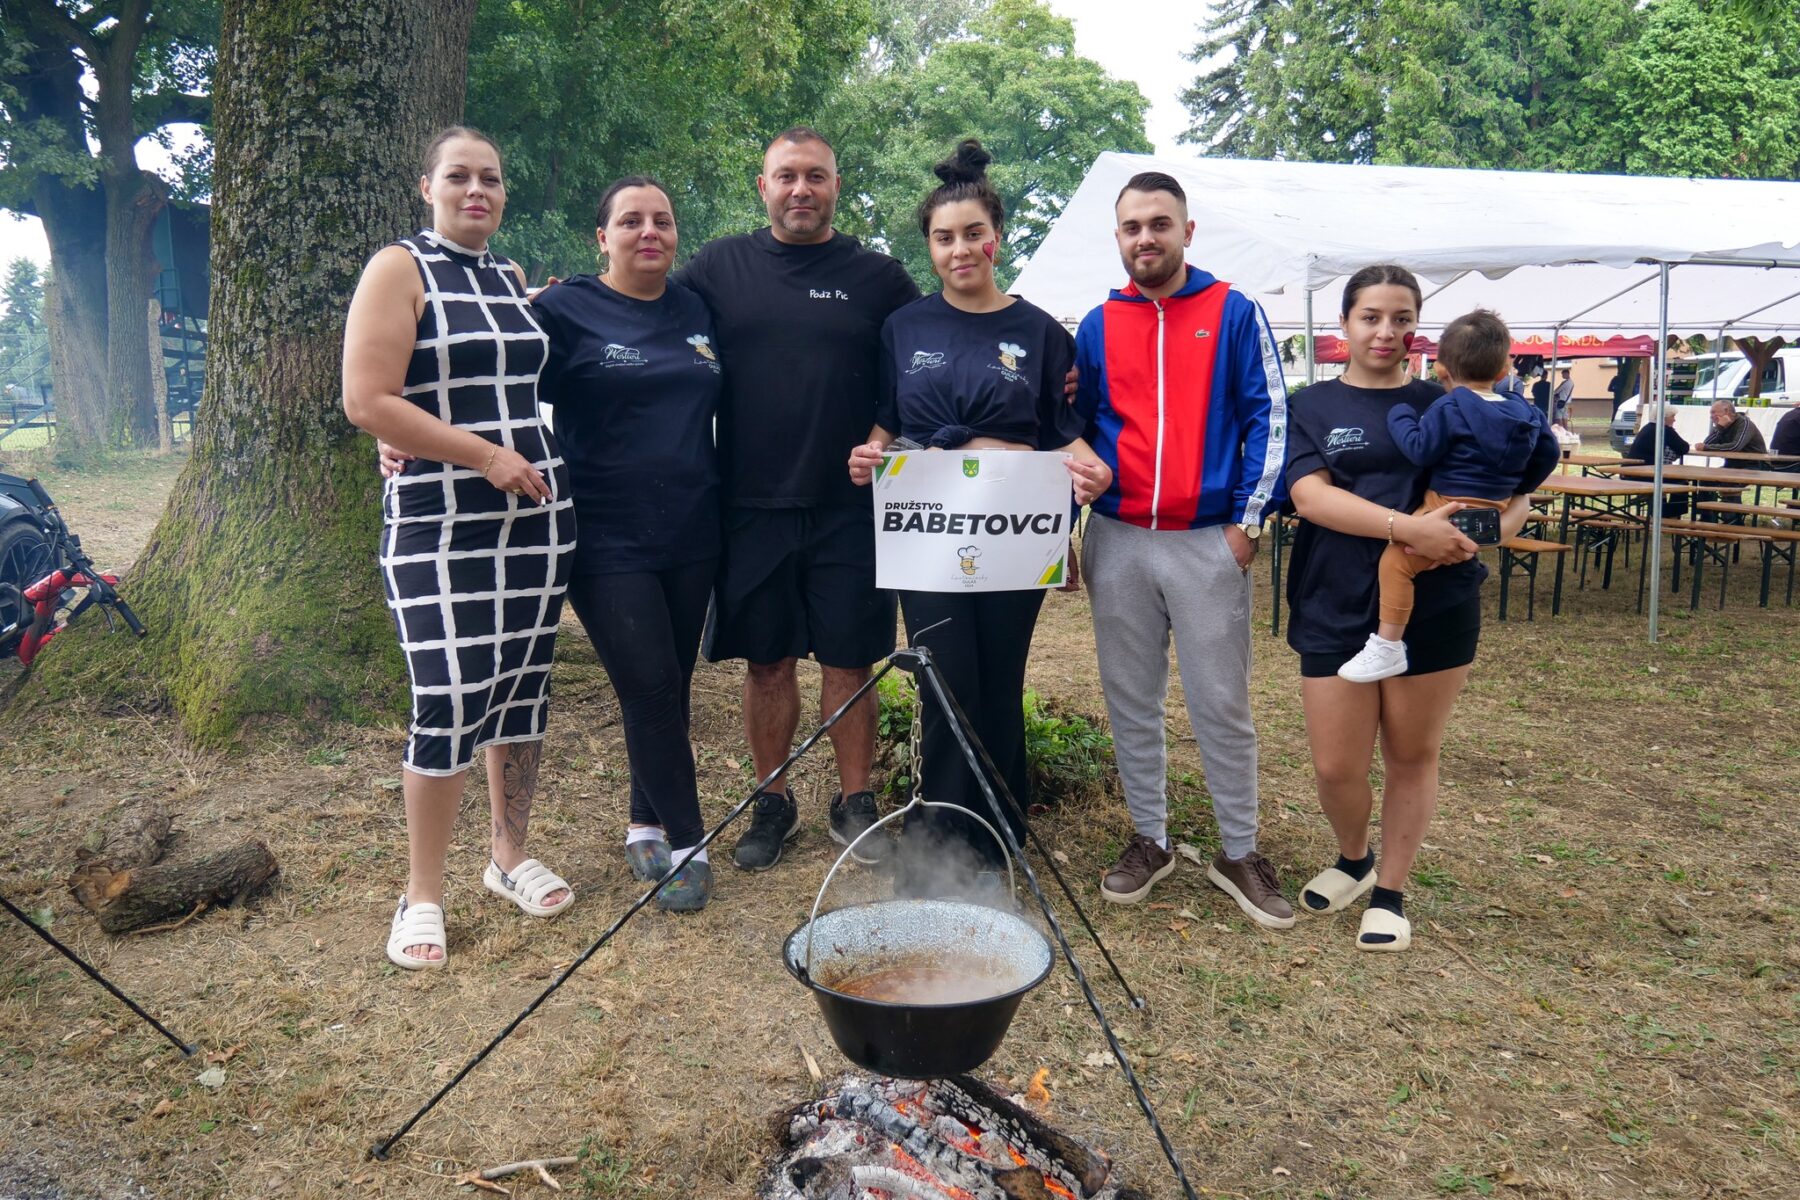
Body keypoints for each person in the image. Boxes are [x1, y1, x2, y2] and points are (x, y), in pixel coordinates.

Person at [342, 127, 577, 970]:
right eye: (459, 176)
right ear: (427, 186)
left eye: (491, 178)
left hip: (537, 519)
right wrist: (482, 456)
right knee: (446, 698)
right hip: (439, 522)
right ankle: (422, 895)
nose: (477, 189)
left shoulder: (507, 278)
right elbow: (367, 400)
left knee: (519, 693)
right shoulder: (398, 268)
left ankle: (508, 858)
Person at [846, 140, 1111, 872]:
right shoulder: (905, 326)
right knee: (943, 677)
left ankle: (1000, 835)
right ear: (929, 248)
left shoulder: (1041, 332)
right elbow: (888, 418)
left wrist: (1091, 472)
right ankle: (937, 839)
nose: (959, 249)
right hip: (928, 528)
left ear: (997, 237)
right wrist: (869, 454)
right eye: (943, 238)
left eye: (973, 234)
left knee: (999, 679)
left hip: (1013, 531)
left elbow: (1061, 432)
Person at [673, 128, 921, 872]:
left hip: (852, 508)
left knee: (850, 660)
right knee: (767, 662)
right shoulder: (718, 268)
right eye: (786, 176)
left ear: (837, 185)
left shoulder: (880, 278)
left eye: (816, 176)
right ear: (764, 187)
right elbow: (640, 312)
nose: (801, 190)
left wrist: (1050, 369)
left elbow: (929, 360)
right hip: (750, 506)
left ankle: (855, 801)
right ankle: (771, 800)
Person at [1284, 264, 1534, 953]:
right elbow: (1310, 497)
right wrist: (1407, 529)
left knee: (1411, 753)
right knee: (1336, 766)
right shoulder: (1311, 405)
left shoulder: (1450, 399)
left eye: (1401, 319)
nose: (1385, 331)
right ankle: (1354, 858)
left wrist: (1492, 529)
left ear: (1418, 328)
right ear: (1345, 323)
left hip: (1437, 602)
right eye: (1370, 317)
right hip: (1334, 597)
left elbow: (1517, 486)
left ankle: (1389, 891)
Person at [1071, 171, 1293, 928]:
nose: (1146, 238)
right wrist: (1068, 525)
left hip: (1207, 538)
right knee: (1130, 696)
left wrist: (1247, 525)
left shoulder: (1233, 311)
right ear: (1118, 236)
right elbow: (1076, 428)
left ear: (1187, 231)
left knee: (1220, 701)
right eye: (1132, 226)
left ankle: (1240, 850)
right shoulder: (1099, 323)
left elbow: (1270, 416)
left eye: (1159, 224)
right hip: (1119, 537)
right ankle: (1150, 838)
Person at [527, 177, 723, 911]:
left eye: (662, 221)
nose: (650, 232)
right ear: (601, 237)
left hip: (693, 528)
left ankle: (644, 822)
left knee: (673, 681)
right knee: (647, 686)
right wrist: (398, 435)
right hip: (605, 532)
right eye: (632, 220)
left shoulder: (696, 309)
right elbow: (486, 374)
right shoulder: (563, 309)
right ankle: (689, 844)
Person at [1336, 309, 1558, 683]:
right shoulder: (1527, 412)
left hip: (1447, 505)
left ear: (1441, 370)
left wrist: (1401, 416)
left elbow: (1420, 449)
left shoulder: (1450, 406)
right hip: (1496, 506)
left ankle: (1388, 644)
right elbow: (1548, 454)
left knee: (1396, 562)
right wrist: (1517, 487)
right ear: (1504, 369)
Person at [1624, 403, 1692, 516]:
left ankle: (1660, 510)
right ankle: (1670, 515)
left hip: (1632, 473)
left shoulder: (1647, 428)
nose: (1674, 420)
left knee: (1667, 481)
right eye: (1672, 416)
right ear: (1664, 417)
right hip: (1647, 475)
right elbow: (1683, 447)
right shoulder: (1664, 429)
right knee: (1682, 483)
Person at [1700, 399, 1768, 454]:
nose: (1711, 417)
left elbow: (1735, 447)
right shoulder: (1720, 426)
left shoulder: (1744, 423)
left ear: (1726, 411)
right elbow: (1705, 444)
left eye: (1713, 412)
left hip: (1755, 464)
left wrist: (1706, 447)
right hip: (1733, 464)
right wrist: (1720, 428)